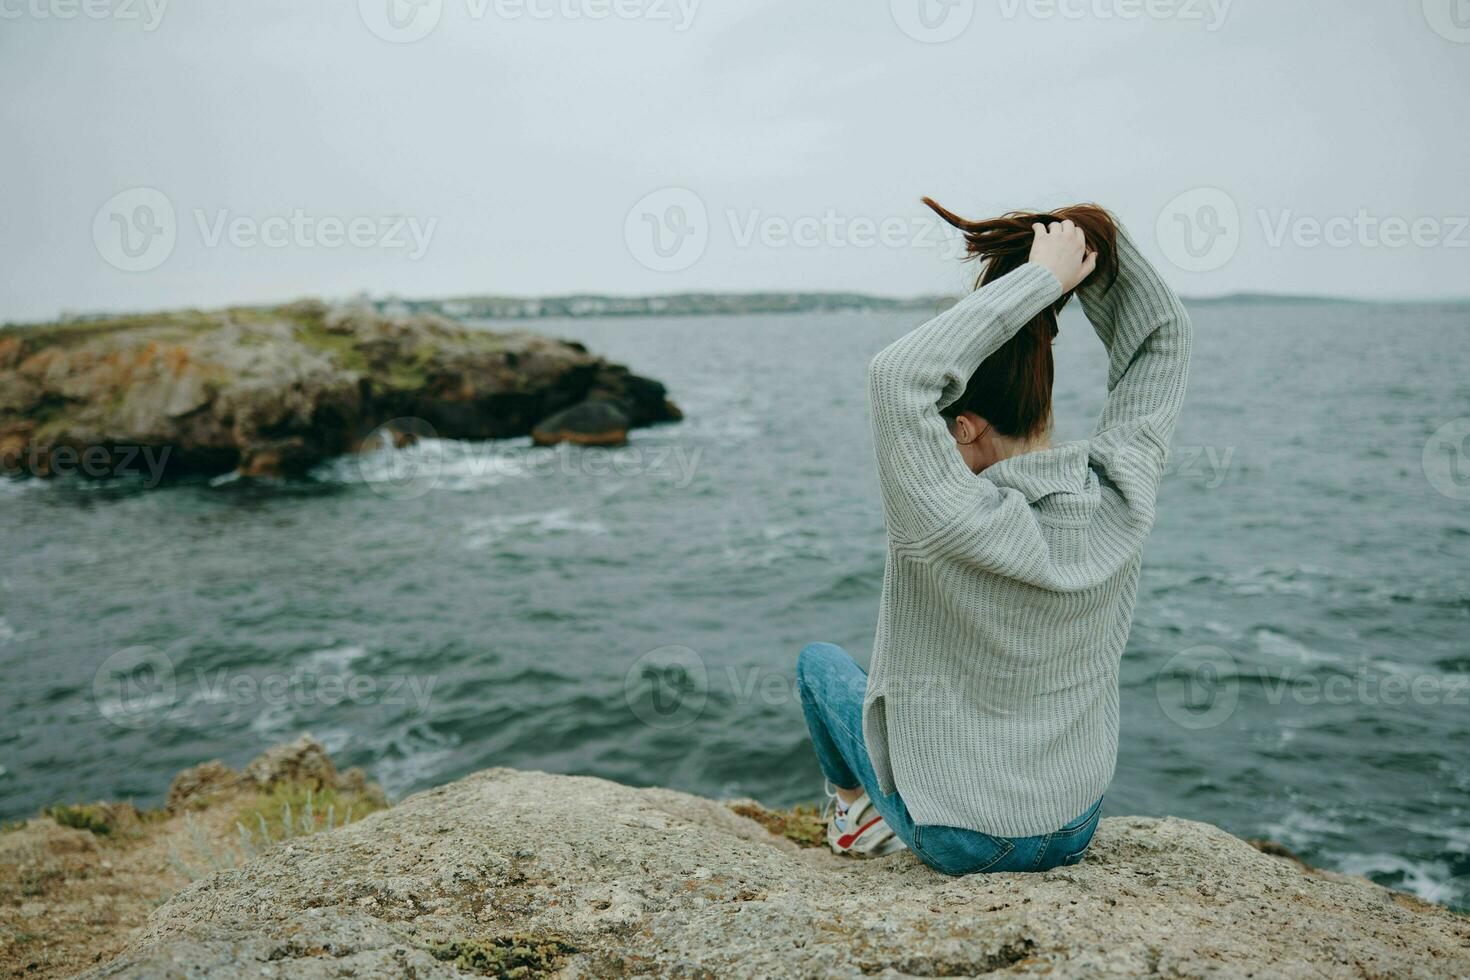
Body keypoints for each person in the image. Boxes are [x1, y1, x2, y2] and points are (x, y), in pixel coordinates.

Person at [797, 202, 1192, 873]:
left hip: (962, 839)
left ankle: (854, 815)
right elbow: (1162, 342)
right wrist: (1094, 245)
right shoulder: (1123, 494)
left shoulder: (946, 516)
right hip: (1073, 825)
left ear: (964, 427)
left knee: (819, 665)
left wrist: (1039, 281)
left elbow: (897, 379)